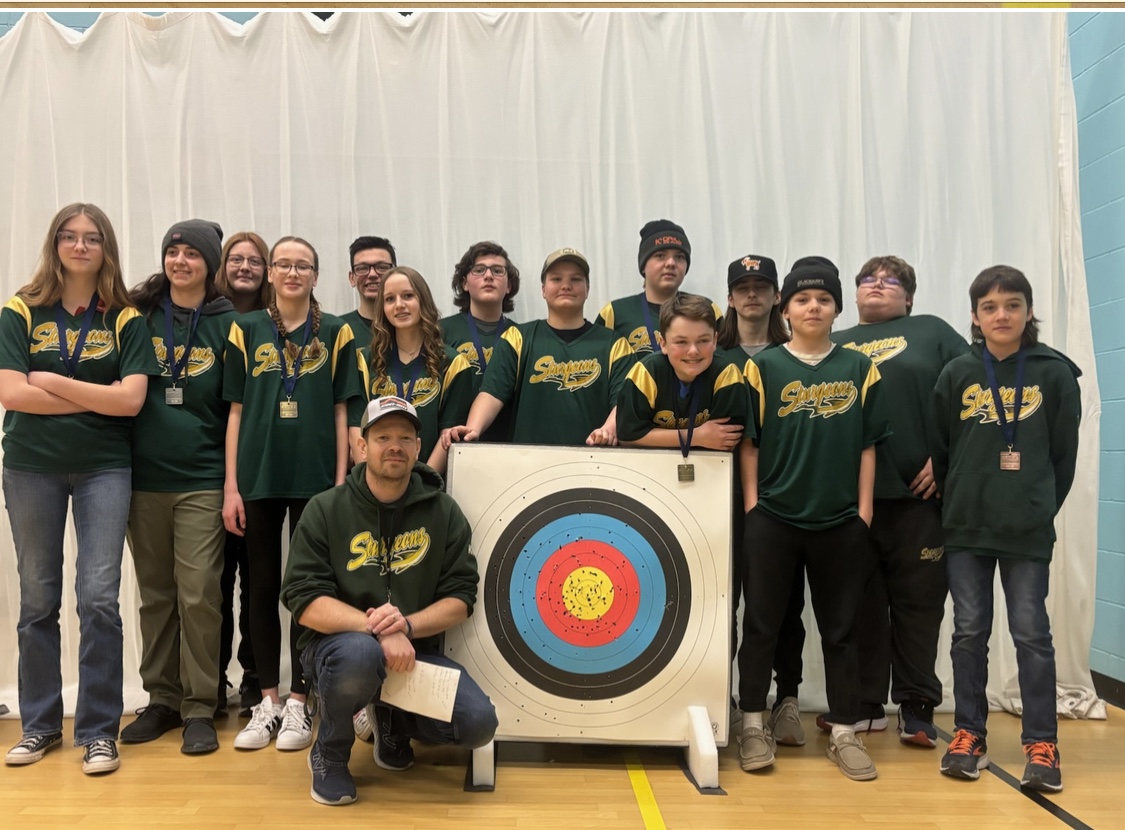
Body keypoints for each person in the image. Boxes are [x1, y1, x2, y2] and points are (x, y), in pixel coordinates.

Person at [0, 203, 159, 774]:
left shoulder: (124, 318)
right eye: (70, 236)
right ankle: (40, 725)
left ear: (106, 247)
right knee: (38, 600)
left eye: (92, 238)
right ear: (55, 244)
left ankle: (98, 731)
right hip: (30, 467)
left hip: (103, 469)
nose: (80, 246)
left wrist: (54, 381)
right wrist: (94, 395)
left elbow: (133, 400)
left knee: (98, 600)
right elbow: (12, 395)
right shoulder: (20, 309)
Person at [280, 396, 499, 806]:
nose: (394, 446)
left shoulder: (444, 512)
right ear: (361, 446)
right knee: (361, 655)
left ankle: (391, 717)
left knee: (478, 724)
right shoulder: (324, 509)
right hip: (338, 651)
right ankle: (330, 751)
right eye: (382, 436)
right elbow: (304, 600)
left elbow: (461, 597)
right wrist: (379, 630)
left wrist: (408, 627)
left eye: (405, 437)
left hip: (409, 653)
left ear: (419, 447)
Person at [737, 258, 890, 781]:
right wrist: (753, 507)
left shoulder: (859, 368)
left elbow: (869, 446)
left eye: (823, 299)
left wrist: (863, 511)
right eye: (802, 299)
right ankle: (754, 723)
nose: (812, 307)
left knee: (840, 630)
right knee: (760, 626)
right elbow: (750, 445)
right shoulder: (763, 368)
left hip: (840, 521)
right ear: (786, 308)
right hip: (774, 519)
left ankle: (845, 731)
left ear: (836, 308)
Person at [933, 265, 1081, 794]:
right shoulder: (956, 374)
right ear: (974, 316)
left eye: (1012, 305)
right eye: (990, 307)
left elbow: (1064, 457)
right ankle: (969, 732)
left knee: (1031, 635)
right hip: (968, 527)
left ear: (1028, 311)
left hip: (1026, 531)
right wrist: (960, 501)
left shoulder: (1055, 373)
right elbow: (943, 451)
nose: (1002, 315)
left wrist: (1038, 506)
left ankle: (1042, 742)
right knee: (969, 632)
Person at [222, 236, 365, 753]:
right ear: (271, 272)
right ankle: (268, 700)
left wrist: (340, 479)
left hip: (316, 481)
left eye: (302, 265)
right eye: (282, 263)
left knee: (309, 592)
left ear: (315, 275)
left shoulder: (339, 332)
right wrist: (231, 486)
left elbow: (342, 409)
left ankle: (302, 701)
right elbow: (235, 411)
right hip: (259, 478)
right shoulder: (246, 329)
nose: (291, 272)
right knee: (260, 587)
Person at [827, 255, 969, 746]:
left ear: (909, 296)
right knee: (859, 605)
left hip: (919, 500)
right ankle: (865, 706)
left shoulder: (932, 331)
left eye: (891, 281)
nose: (878, 285)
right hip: (851, 500)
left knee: (918, 605)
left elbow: (976, 391)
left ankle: (917, 707)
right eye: (869, 279)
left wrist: (947, 457)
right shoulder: (832, 340)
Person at [122, 220, 236, 755]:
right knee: (156, 596)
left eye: (193, 253)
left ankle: (199, 706)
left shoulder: (229, 323)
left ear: (210, 265)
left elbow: (237, 408)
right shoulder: (137, 316)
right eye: (173, 251)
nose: (181, 261)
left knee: (199, 595)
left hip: (202, 479)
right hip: (142, 478)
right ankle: (162, 699)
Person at [719, 254, 808, 748]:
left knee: (782, 606)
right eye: (742, 286)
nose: (751, 294)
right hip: (720, 499)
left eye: (761, 286)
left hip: (784, 497)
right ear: (730, 297)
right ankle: (730, 699)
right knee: (723, 604)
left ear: (777, 296)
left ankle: (787, 699)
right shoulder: (713, 352)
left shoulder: (797, 352)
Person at [446, 247, 636, 448]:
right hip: (529, 466)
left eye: (576, 279)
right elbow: (492, 393)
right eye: (556, 279)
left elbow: (623, 403)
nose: (566, 285)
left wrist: (608, 430)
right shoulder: (517, 338)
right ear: (543, 290)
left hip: (592, 462)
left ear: (587, 289)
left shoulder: (616, 344)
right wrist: (473, 429)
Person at [214, 231, 271, 717]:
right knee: (214, 578)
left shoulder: (276, 324)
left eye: (256, 260)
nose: (246, 267)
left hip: (257, 468)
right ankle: (211, 679)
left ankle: (255, 676)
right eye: (237, 259)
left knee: (258, 577)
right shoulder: (205, 313)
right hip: (205, 464)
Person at [363, 266, 474, 476]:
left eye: (408, 296)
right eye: (389, 299)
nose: (399, 305)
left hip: (427, 484)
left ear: (423, 300)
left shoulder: (453, 363)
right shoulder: (365, 360)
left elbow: (447, 436)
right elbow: (358, 428)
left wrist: (421, 482)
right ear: (382, 308)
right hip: (376, 480)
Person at [616, 292, 747, 452]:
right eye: (681, 342)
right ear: (663, 344)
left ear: (715, 341)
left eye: (703, 340)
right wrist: (695, 436)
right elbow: (627, 437)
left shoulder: (727, 375)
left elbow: (725, 440)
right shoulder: (646, 373)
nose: (693, 351)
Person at [597, 219, 720, 355]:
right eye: (660, 256)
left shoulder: (707, 309)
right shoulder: (614, 314)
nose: (671, 263)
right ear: (643, 266)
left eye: (679, 257)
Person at [440, 241, 520, 442]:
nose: (488, 276)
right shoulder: (440, 331)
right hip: (451, 439)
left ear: (509, 285)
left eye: (497, 270)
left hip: (508, 443)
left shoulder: (520, 335)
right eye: (479, 270)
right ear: (465, 283)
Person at [340, 236, 397, 340]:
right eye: (362, 268)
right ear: (352, 278)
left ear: (396, 274)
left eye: (382, 267)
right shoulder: (339, 329)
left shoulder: (413, 327)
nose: (372, 274)